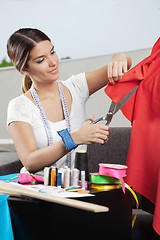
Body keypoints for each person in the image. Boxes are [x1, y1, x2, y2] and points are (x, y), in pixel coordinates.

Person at [7, 28, 132, 173]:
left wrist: (119, 57)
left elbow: (125, 64)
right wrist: (75, 138)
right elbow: (30, 162)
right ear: (24, 69)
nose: (53, 62)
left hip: (74, 188)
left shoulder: (76, 87)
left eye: (52, 52)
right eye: (41, 60)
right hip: (36, 191)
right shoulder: (19, 106)